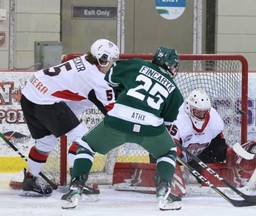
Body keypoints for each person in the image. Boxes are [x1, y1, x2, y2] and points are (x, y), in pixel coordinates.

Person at [61, 46, 184, 211]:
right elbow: (166, 123)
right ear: (170, 64)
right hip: (150, 127)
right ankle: (164, 192)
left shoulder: (136, 65)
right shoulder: (175, 91)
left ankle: (76, 188)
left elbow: (110, 78)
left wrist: (123, 89)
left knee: (86, 146)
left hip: (119, 119)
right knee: (168, 151)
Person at [20, 39, 119, 196]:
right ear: (102, 60)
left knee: (46, 142)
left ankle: (30, 179)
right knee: (85, 140)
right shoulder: (97, 80)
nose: (113, 64)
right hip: (45, 101)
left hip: (31, 92)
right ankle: (77, 182)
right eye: (112, 60)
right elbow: (113, 113)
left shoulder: (84, 60)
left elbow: (80, 97)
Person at [164, 89, 256, 188]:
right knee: (162, 162)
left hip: (197, 155)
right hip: (175, 155)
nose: (202, 115)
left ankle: (242, 172)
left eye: (204, 112)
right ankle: (161, 180)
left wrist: (229, 154)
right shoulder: (178, 119)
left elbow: (218, 143)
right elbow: (168, 146)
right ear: (188, 108)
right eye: (198, 112)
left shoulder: (213, 118)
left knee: (211, 175)